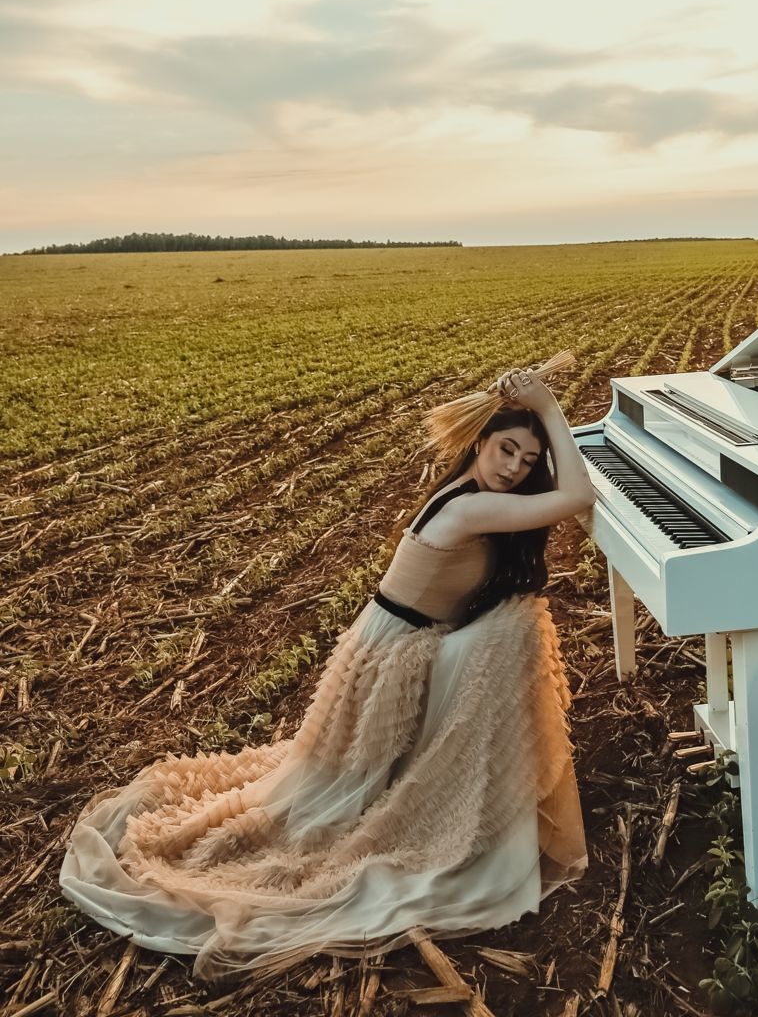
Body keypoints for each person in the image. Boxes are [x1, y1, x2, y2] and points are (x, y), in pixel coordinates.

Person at [59, 363, 597, 982]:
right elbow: (579, 497)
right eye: (507, 449)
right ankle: (462, 793)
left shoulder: (472, 496)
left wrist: (541, 423)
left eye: (529, 461)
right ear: (479, 442)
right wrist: (551, 410)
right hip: (391, 658)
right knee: (518, 628)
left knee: (513, 622)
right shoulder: (468, 511)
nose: (514, 468)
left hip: (390, 645)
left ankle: (462, 779)